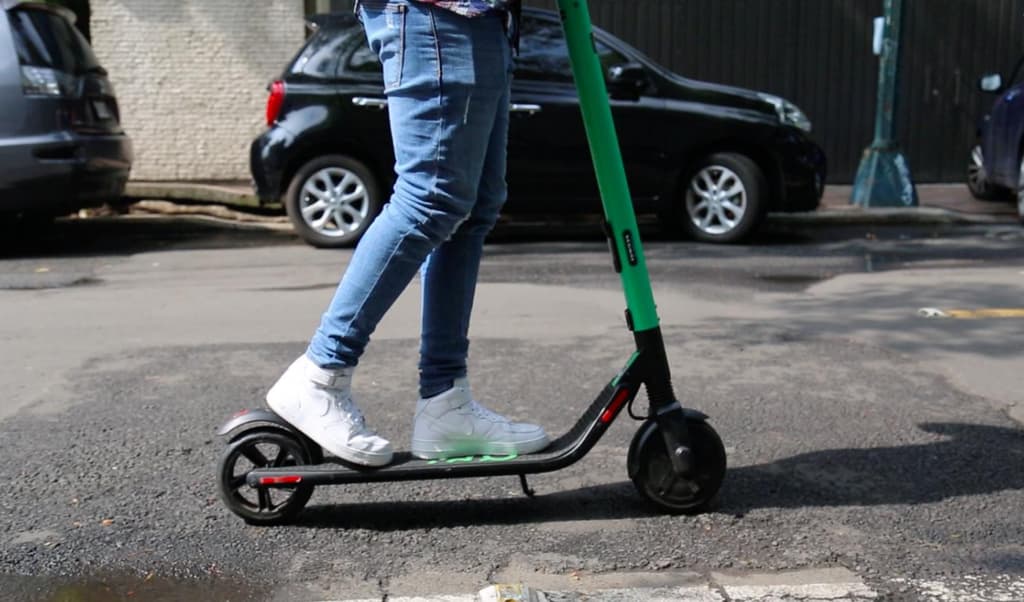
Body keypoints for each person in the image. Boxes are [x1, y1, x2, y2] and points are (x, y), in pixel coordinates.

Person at [266, 0, 549, 467]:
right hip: (439, 16)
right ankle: (320, 375)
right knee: (429, 200)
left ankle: (445, 400)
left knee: (473, 209)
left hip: (487, 20)